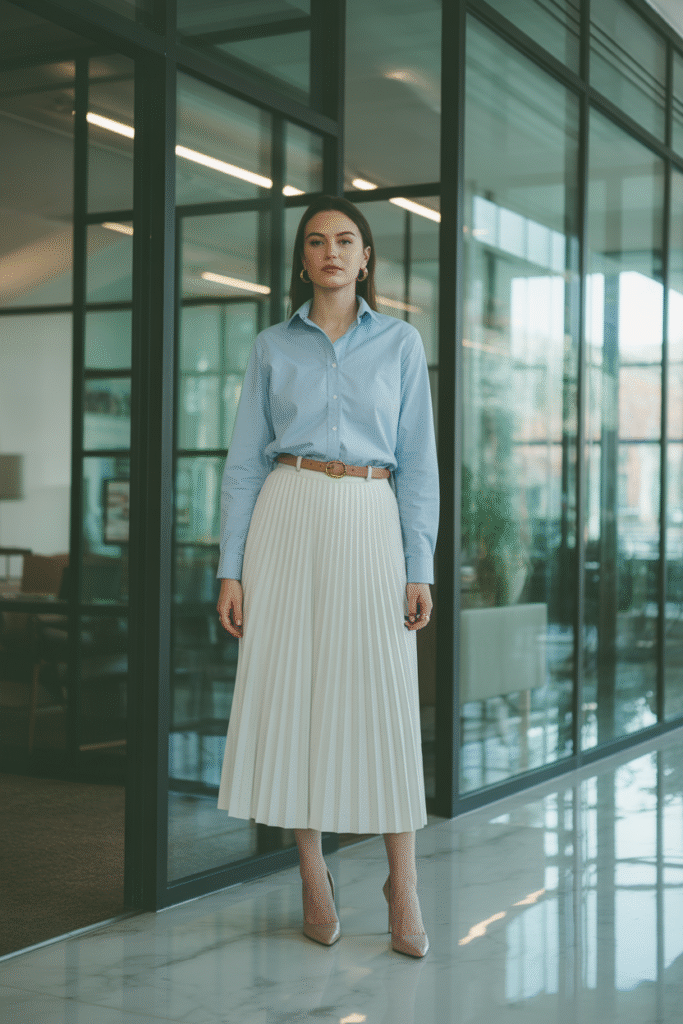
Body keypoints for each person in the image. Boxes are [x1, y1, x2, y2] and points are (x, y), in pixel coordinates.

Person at [216, 195, 439, 958]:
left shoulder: (402, 343)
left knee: (382, 695)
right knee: (291, 696)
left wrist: (419, 565)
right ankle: (312, 870)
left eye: (345, 240)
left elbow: (419, 466)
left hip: (371, 517)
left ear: (365, 256)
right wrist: (230, 569)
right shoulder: (271, 346)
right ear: (302, 259)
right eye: (316, 241)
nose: (331, 252)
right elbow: (243, 462)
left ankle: (400, 881)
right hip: (286, 513)